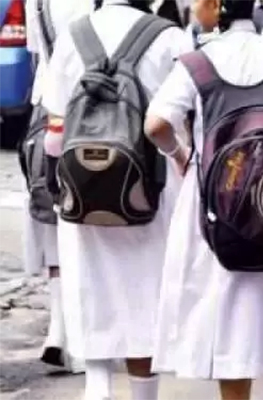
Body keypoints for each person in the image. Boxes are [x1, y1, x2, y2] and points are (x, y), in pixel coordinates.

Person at [144, 1, 263, 399]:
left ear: (218, 6)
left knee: (229, 323)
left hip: (218, 208)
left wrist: (180, 155)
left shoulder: (196, 65)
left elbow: (156, 125)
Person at [41, 1, 189, 398]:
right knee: (144, 298)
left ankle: (98, 387)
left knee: (91, 290)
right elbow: (184, 119)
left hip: (83, 190)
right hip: (150, 191)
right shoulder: (170, 37)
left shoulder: (73, 36)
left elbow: (54, 131)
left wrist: (61, 185)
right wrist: (181, 158)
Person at [22, 0, 94, 374]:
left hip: (47, 111)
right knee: (94, 223)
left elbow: (39, 54)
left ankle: (58, 328)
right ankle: (81, 340)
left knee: (52, 217)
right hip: (98, 107)